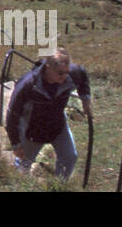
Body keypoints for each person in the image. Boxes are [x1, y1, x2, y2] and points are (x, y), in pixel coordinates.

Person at [5, 48, 93, 180]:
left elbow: (82, 75)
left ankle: (58, 187)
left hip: (58, 125)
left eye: (66, 72)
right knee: (23, 165)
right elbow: (12, 115)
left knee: (69, 157)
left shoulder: (72, 74)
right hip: (33, 129)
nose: (64, 77)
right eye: (60, 73)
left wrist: (86, 100)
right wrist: (16, 144)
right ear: (48, 68)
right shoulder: (29, 84)